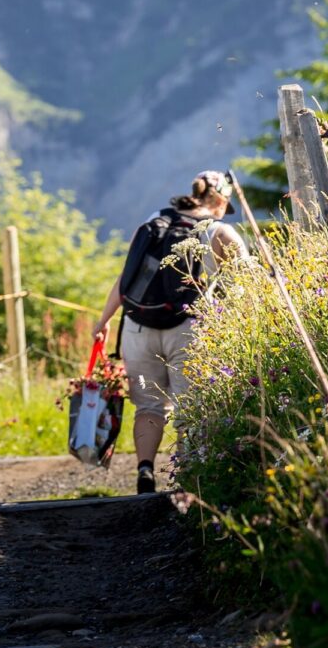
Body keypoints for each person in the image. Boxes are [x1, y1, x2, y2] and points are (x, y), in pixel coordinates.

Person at [93, 169, 249, 495]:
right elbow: (250, 288)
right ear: (220, 200)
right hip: (187, 327)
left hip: (137, 325)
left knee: (149, 407)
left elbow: (127, 276)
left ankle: (145, 472)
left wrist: (104, 319)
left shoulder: (155, 220)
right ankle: (187, 482)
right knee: (189, 405)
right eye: (226, 205)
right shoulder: (220, 232)